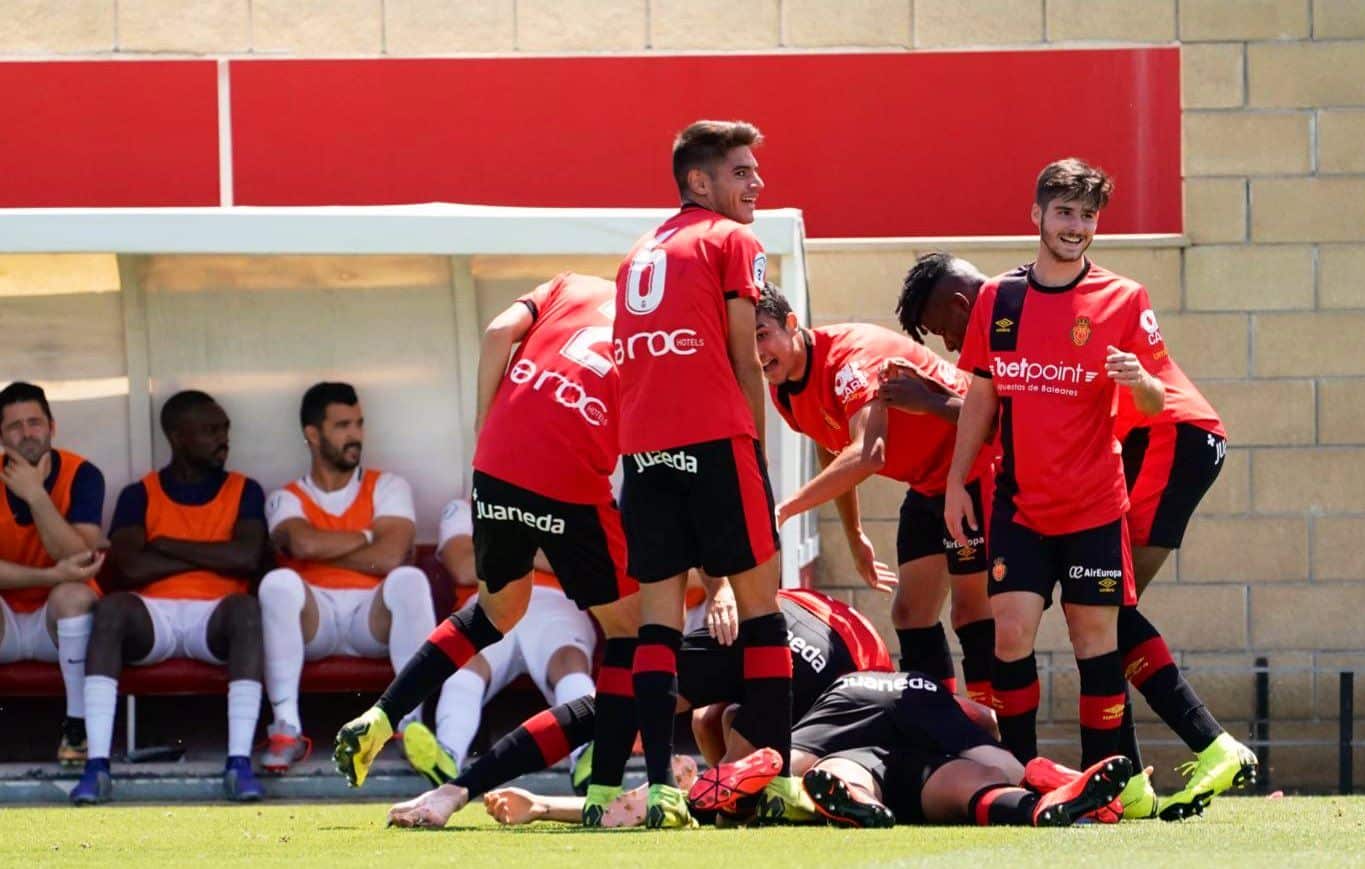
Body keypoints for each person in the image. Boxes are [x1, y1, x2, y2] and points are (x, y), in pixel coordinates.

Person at [898, 251, 1256, 820]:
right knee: (1105, 612)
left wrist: (929, 404)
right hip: (1170, 438)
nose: (948, 345)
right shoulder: (1017, 303)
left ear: (964, 305)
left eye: (944, 328)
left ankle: (1212, 744)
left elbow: (993, 411)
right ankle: (1127, 777)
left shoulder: (1015, 306)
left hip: (1164, 436)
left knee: (1106, 608)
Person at [332, 273, 642, 830]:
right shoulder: (662, 330)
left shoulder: (571, 285)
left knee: (495, 612)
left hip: (496, 465)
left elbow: (500, 330)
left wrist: (486, 421)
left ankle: (383, 714)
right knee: (630, 634)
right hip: (573, 480)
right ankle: (602, 786)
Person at [942, 158, 1164, 791]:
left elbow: (1153, 404)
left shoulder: (1124, 298)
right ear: (1036, 215)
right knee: (1008, 633)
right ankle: (1020, 778)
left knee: (1095, 640)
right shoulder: (999, 298)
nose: (1076, 226)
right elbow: (981, 396)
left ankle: (1105, 786)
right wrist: (958, 481)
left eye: (1087, 215)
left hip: (1094, 501)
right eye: (1064, 212)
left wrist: (1138, 381)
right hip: (1020, 502)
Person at [611, 119, 800, 827]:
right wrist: (754, 447)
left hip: (645, 451)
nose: (757, 183)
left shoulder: (637, 252)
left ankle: (659, 786)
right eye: (742, 171)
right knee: (762, 611)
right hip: (716, 441)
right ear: (699, 181)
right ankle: (775, 782)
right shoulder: (730, 240)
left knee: (657, 622)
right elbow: (743, 352)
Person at [386, 586, 890, 829]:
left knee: (726, 791)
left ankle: (456, 785)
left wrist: (541, 806)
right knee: (727, 788)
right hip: (817, 635)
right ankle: (456, 786)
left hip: (798, 620)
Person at [751, 286, 997, 705]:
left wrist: (784, 509)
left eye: (762, 334)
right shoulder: (783, 389)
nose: (757, 352)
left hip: (977, 471)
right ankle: (939, 727)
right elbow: (830, 445)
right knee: (910, 615)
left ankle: (996, 741)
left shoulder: (853, 358)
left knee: (971, 614)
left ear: (792, 324)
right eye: (745, 340)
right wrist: (855, 535)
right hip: (928, 484)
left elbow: (869, 454)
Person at [73, 390, 267, 804]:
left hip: (216, 618)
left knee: (247, 609)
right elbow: (131, 568)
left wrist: (164, 545)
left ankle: (239, 763)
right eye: (210, 430)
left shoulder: (244, 490)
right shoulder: (138, 494)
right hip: (154, 618)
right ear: (178, 438)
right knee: (111, 608)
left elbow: (247, 557)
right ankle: (97, 766)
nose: (223, 439)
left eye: (225, 429)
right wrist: (214, 558)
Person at [256, 382, 434, 775]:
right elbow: (302, 545)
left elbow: (391, 557)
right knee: (278, 584)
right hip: (313, 621)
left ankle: (410, 727)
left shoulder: (387, 486)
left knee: (409, 579)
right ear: (312, 434)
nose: (355, 435)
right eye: (342, 426)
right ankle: (286, 727)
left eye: (359, 424)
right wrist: (368, 535)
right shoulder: (285, 497)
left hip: (369, 621)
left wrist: (329, 546)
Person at [729, 670, 1131, 829]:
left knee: (810, 767)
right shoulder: (906, 679)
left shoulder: (839, 685)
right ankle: (1034, 794)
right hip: (925, 726)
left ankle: (857, 801)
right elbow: (984, 718)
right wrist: (993, 750)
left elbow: (729, 716)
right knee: (981, 781)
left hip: (850, 727)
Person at [407, 497, 598, 785]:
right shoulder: (463, 508)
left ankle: (589, 755)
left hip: (556, 603)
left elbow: (585, 565)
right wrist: (540, 551)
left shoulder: (566, 500)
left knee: (569, 660)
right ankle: (447, 756)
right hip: (490, 600)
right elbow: (463, 566)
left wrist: (504, 552)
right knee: (467, 661)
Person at [0, 382, 105, 765]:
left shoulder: (82, 473)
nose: (27, 433)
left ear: (52, 426)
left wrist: (36, 495)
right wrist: (47, 576)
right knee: (63, 586)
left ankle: (77, 729)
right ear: (1, 434)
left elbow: (79, 557)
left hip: (56, 622)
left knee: (74, 594)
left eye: (35, 422)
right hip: (6, 620)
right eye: (14, 426)